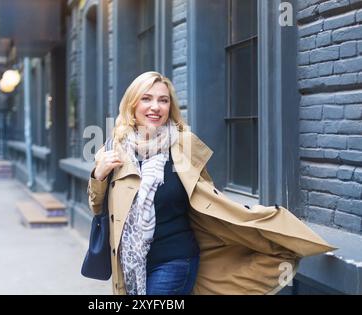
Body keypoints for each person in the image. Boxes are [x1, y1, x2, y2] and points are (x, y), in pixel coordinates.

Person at [87, 71, 335, 295]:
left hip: (175, 259)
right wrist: (98, 175)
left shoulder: (183, 144)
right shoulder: (113, 149)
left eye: (163, 100)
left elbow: (207, 198)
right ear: (132, 104)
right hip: (130, 262)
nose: (156, 107)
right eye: (147, 99)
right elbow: (99, 209)